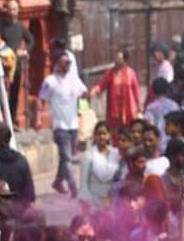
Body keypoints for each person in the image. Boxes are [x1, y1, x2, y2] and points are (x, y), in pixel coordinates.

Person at [38, 51, 87, 198]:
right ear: (57, 64)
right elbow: (41, 98)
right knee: (67, 158)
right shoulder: (50, 81)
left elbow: (83, 91)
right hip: (60, 126)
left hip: (73, 124)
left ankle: (58, 181)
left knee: (66, 156)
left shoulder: (72, 80)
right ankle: (73, 187)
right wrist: (39, 118)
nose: (68, 66)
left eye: (69, 63)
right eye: (65, 63)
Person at [90, 50, 141, 130]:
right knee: (115, 131)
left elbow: (136, 90)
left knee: (129, 131)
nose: (116, 61)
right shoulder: (110, 73)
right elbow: (101, 86)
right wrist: (94, 91)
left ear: (125, 61)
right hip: (114, 111)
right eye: (116, 58)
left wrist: (139, 106)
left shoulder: (131, 73)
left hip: (128, 109)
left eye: (119, 59)